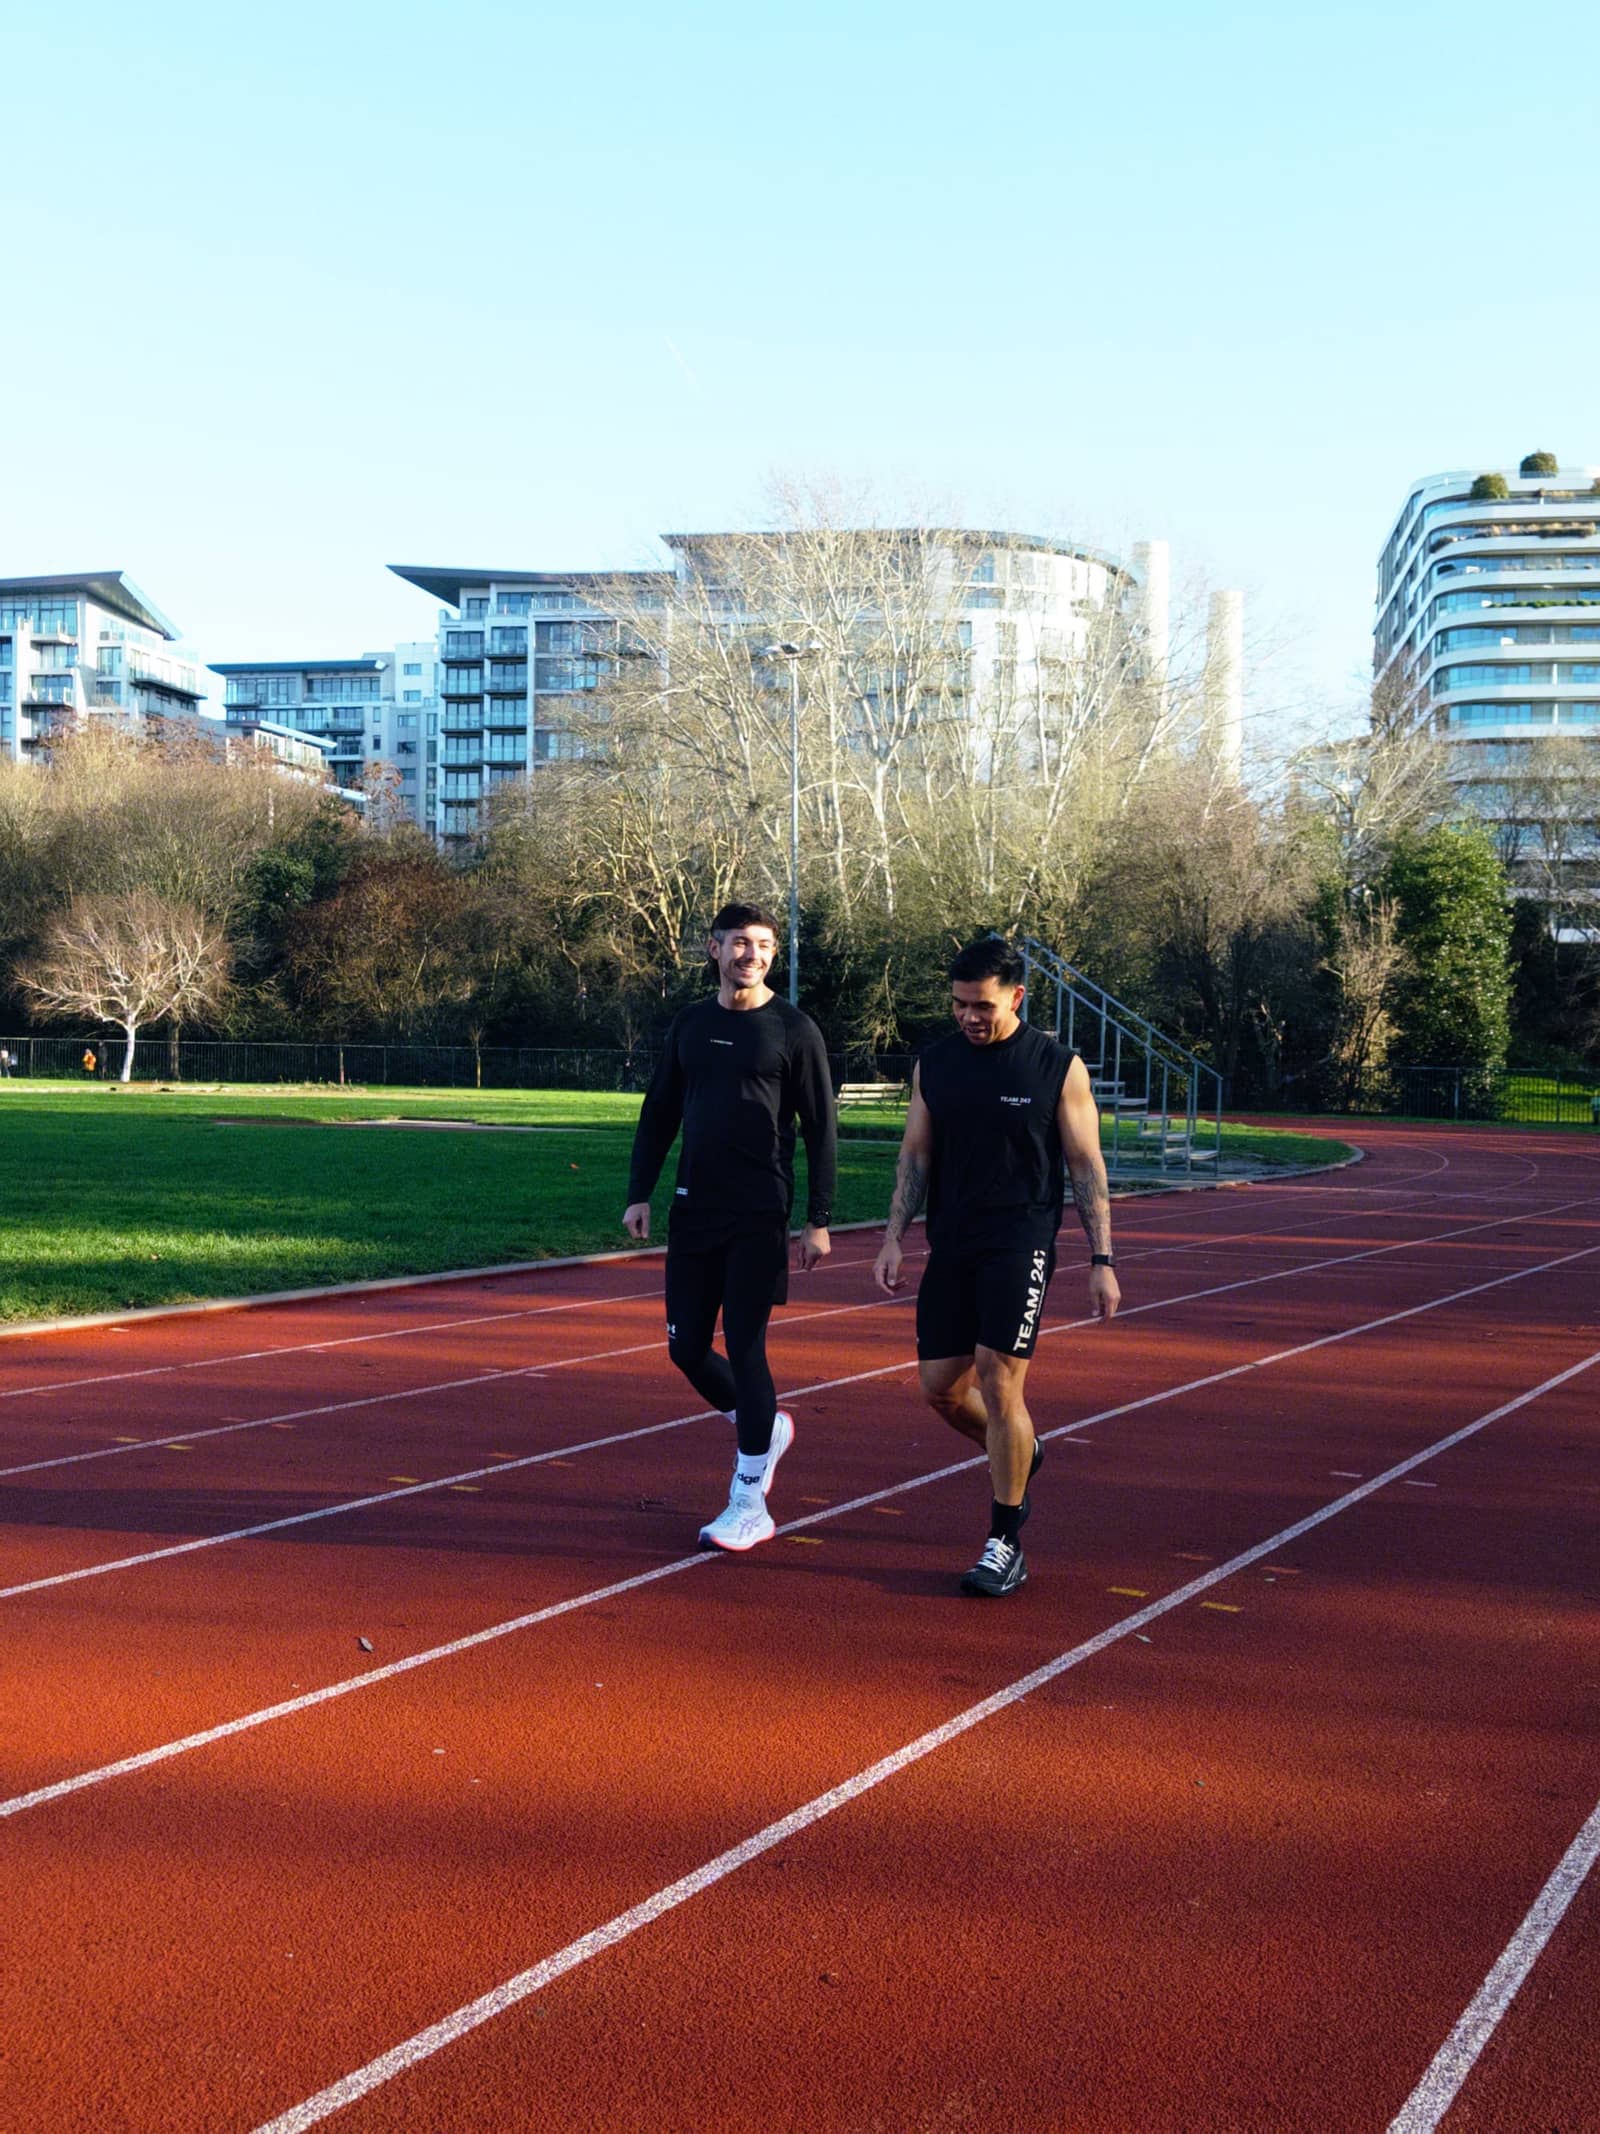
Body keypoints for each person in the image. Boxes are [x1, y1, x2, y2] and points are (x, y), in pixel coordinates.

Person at [873, 934, 1120, 1597]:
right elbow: (916, 1156)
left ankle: (1005, 1540)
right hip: (951, 1240)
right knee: (940, 1388)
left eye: (981, 1006)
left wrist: (1102, 1258)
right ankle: (1022, 1451)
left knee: (998, 1376)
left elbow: (1086, 1166)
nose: (968, 1018)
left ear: (1015, 996)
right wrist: (894, 1235)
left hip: (1021, 1239)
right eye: (958, 1005)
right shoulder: (937, 1064)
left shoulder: (1056, 1066)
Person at [623, 901, 837, 1553]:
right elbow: (660, 1110)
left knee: (746, 1348)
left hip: (759, 1211)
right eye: (741, 943)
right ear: (713, 949)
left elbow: (822, 1129)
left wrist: (818, 1220)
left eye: (765, 945)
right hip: (694, 1209)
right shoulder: (690, 1025)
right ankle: (763, 1430)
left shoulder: (794, 1030)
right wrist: (640, 1193)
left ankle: (750, 1500)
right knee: (685, 1348)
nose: (753, 954)